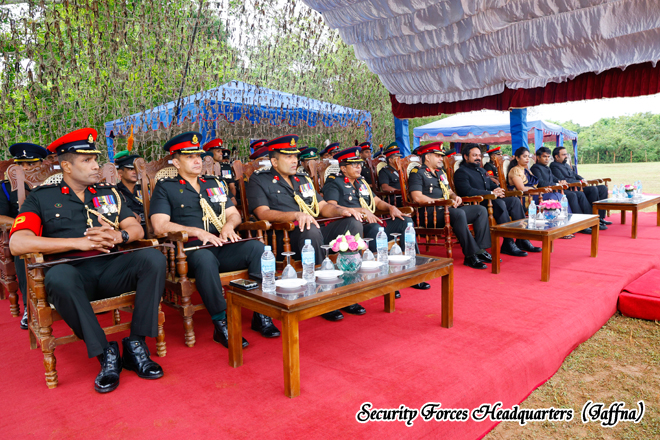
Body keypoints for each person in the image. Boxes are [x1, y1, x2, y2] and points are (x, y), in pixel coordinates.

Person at [9, 128, 165, 393]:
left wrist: (120, 235)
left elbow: (135, 228)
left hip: (113, 268)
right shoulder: (41, 197)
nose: (96, 166)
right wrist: (78, 243)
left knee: (153, 257)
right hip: (73, 276)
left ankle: (136, 344)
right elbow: (17, 243)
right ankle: (106, 353)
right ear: (66, 166)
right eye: (87, 160)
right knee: (58, 277)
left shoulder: (108, 193)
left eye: (95, 159)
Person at [149, 132, 276, 342]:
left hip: (222, 244)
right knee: (205, 258)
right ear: (176, 162)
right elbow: (160, 225)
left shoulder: (214, 183)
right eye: (189, 157)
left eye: (198, 156)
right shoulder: (166, 187)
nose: (197, 160)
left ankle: (260, 311)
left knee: (257, 249)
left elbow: (234, 214)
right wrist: (197, 231)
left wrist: (229, 225)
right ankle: (221, 323)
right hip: (191, 251)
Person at [247, 134, 364, 321]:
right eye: (288, 157)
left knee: (352, 222)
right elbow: (262, 212)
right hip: (285, 236)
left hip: (313, 231)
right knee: (310, 230)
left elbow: (323, 206)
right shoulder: (259, 179)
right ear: (274, 162)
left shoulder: (302, 178)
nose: (295, 160)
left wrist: (342, 210)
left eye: (295, 156)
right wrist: (295, 215)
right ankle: (322, 296)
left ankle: (347, 289)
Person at [323, 146, 431, 297]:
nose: (359, 167)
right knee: (375, 229)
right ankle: (383, 280)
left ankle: (414, 273)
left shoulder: (361, 182)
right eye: (354, 164)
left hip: (372, 222)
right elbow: (331, 206)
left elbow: (377, 202)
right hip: (353, 227)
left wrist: (391, 207)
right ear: (343, 168)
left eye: (359, 164)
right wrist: (361, 210)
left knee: (405, 222)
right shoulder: (334, 182)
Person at [408, 142, 492, 269]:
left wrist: (455, 197)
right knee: (458, 213)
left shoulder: (440, 172)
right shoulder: (417, 172)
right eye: (438, 156)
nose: (441, 159)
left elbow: (450, 192)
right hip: (430, 213)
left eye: (441, 156)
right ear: (428, 157)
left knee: (480, 210)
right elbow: (417, 197)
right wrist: (443, 201)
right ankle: (470, 255)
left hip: (447, 210)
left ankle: (480, 250)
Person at [454, 143, 540, 256]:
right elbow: (466, 191)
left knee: (514, 201)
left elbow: (491, 185)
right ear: (466, 156)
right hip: (477, 203)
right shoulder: (461, 172)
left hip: (491, 200)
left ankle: (523, 238)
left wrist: (497, 190)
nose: (478, 158)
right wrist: (491, 193)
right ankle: (508, 242)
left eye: (479, 155)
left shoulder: (481, 171)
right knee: (499, 203)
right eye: (474, 155)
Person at [2, 142, 49, 329]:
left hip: (54, 232)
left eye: (31, 164)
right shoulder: (5, 188)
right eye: (20, 164)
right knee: (22, 252)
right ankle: (30, 306)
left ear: (42, 164)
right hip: (25, 235)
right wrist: (24, 226)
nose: (26, 168)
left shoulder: (52, 184)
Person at [531, 147, 598, 233]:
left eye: (548, 157)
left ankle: (589, 220)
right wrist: (557, 184)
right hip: (547, 192)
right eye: (544, 156)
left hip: (555, 190)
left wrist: (560, 181)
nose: (547, 159)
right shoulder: (535, 168)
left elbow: (554, 179)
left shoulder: (546, 168)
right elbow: (541, 183)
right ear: (538, 157)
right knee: (573, 195)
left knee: (578, 194)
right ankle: (579, 223)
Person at [550, 146, 611, 228]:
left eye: (566, 154)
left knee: (603, 188)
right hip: (571, 188)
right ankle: (592, 218)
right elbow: (563, 179)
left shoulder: (566, 165)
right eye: (564, 154)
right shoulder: (554, 166)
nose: (566, 156)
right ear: (557, 157)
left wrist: (582, 179)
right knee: (593, 189)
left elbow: (574, 175)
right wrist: (579, 182)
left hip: (578, 186)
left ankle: (600, 217)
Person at [114, 150, 147, 235]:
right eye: (130, 169)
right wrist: (128, 215)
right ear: (120, 172)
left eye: (137, 169)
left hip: (149, 228)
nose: (135, 172)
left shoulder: (145, 189)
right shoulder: (114, 191)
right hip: (129, 232)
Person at [204, 138, 238, 205]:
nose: (221, 153)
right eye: (218, 151)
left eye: (221, 151)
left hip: (223, 191)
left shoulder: (224, 167)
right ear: (210, 153)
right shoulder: (203, 168)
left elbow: (231, 187)